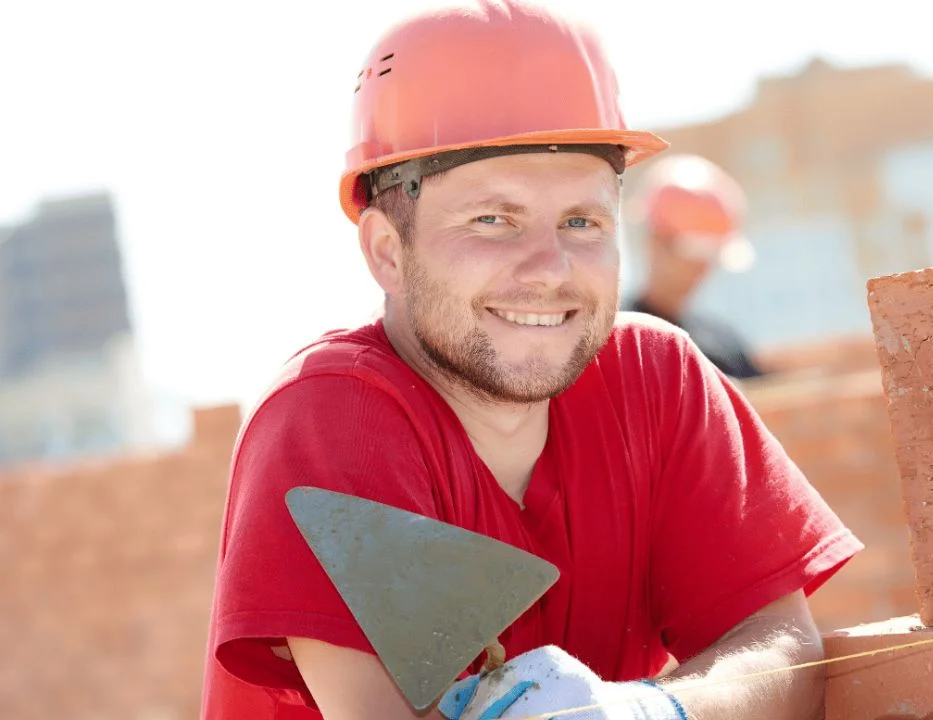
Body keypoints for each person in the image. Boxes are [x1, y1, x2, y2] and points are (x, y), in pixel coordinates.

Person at [200, 2, 863, 719]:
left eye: (582, 222)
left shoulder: (657, 379)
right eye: (493, 220)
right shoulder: (330, 418)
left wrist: (653, 714)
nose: (549, 269)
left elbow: (781, 643)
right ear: (387, 251)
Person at [624, 153, 766, 380]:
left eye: (712, 255)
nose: (703, 268)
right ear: (656, 242)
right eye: (696, 252)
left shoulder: (723, 342)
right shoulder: (618, 343)